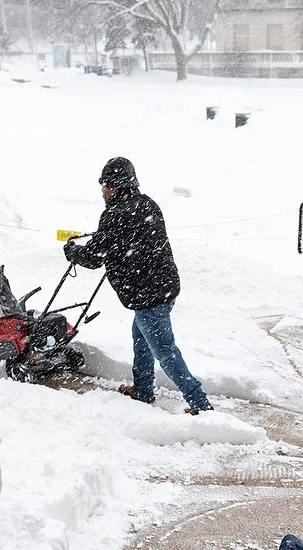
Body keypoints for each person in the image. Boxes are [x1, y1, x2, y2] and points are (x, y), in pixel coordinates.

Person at [64, 156, 212, 415]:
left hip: (148, 295)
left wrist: (73, 252)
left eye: (105, 185)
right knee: (141, 337)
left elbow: (94, 257)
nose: (102, 191)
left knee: (165, 351)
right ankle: (143, 389)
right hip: (165, 287)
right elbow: (132, 243)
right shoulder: (147, 204)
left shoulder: (115, 215)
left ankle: (200, 404)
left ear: (116, 186)